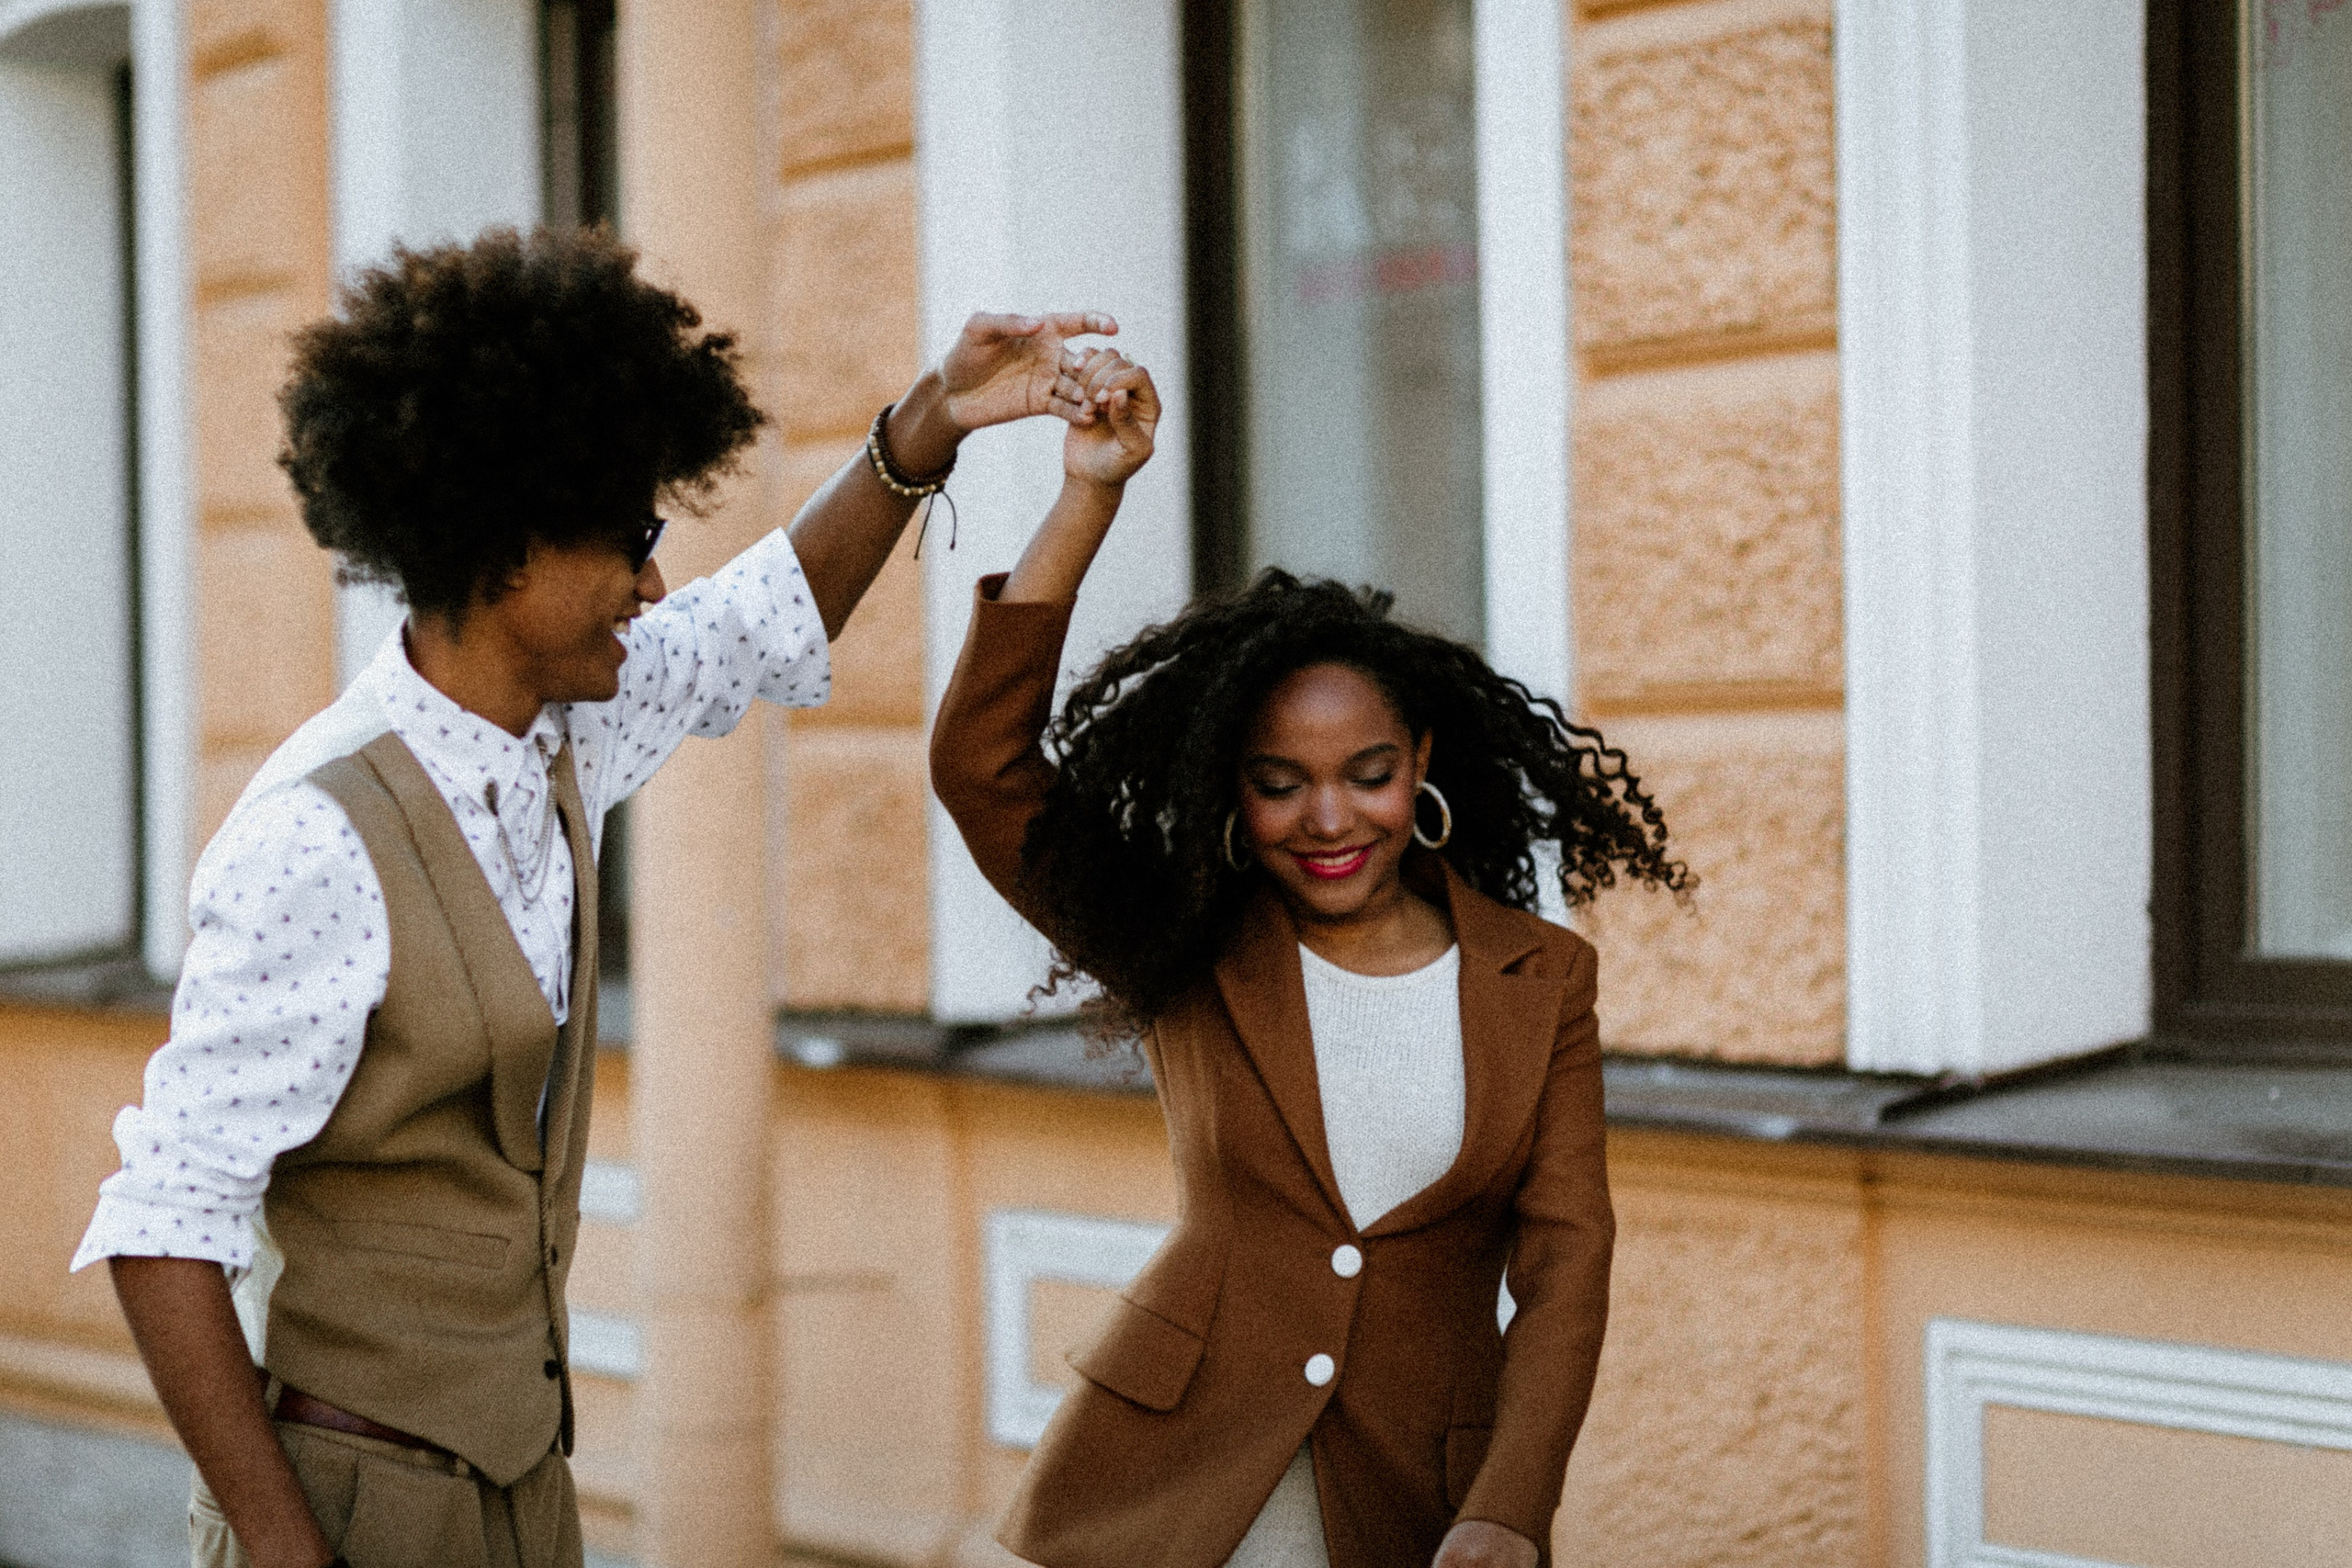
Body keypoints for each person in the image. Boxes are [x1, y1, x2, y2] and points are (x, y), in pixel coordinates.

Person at [72, 222, 1117, 1568]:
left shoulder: (561, 735)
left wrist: (931, 428)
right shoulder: (314, 841)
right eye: (626, 539)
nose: (651, 581)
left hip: (522, 1493)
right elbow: (167, 1224)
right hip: (348, 1504)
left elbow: (764, 614)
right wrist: (285, 1548)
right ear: (502, 545)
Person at [930, 348, 1692, 1568]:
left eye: (1368, 775)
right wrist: (1091, 497)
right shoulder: (1192, 934)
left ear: (1424, 761)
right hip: (1166, 1488)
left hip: (1410, 1499)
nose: (1329, 820)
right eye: (1281, 785)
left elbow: (1566, 1262)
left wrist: (1512, 1502)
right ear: (1234, 788)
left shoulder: (1540, 979)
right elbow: (984, 768)